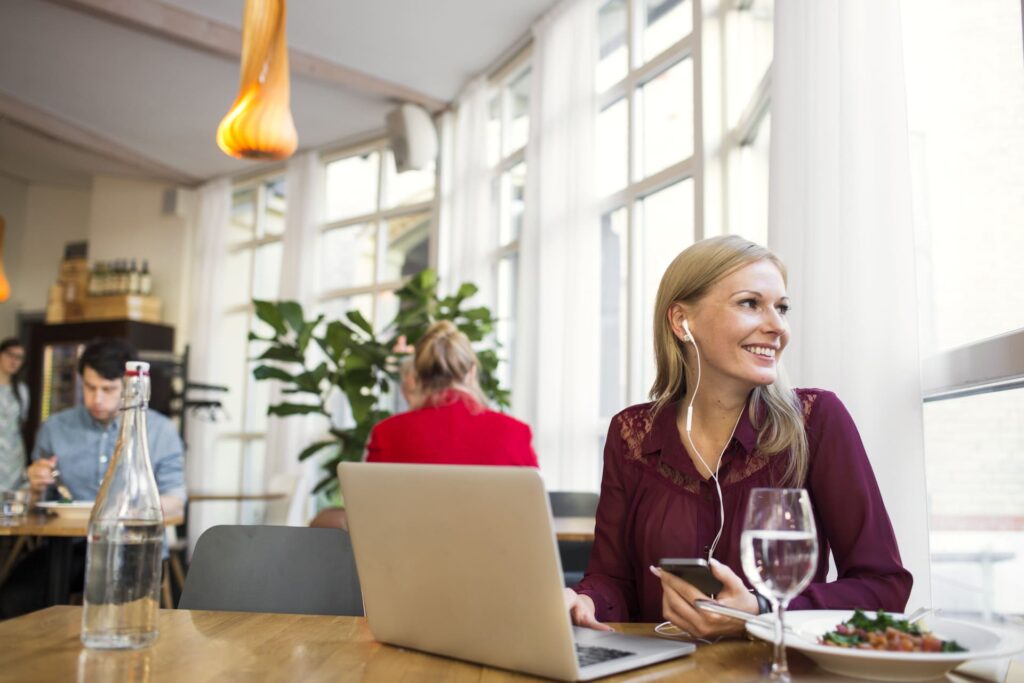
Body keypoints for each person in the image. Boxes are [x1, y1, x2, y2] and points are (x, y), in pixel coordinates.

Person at [565, 235, 912, 638]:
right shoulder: (631, 434)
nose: (777, 327)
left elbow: (884, 586)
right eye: (750, 304)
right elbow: (614, 579)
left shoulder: (817, 420)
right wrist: (585, 599)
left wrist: (762, 611)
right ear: (682, 321)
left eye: (781, 308)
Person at [1, 338, 186, 618]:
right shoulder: (55, 428)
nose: (97, 399)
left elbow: (175, 501)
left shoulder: (160, 431)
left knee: (118, 616)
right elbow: (36, 504)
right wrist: (35, 486)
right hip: (66, 551)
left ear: (127, 386)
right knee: (10, 604)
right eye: (89, 387)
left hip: (132, 549)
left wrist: (133, 506)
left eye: (108, 389)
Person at [365, 320, 538, 467]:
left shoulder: (386, 435)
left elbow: (367, 504)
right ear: (471, 372)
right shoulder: (515, 434)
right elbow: (533, 505)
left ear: (418, 374)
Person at [0, 338, 29, 491]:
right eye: (10, 355)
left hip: (14, 455)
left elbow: (20, 423)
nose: (14, 361)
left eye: (19, 358)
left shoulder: (21, 390)